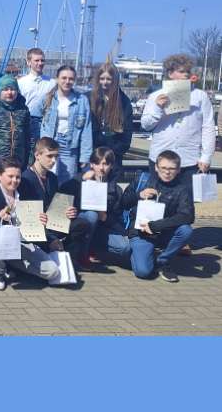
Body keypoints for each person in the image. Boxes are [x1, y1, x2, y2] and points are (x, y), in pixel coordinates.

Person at [0, 157, 61, 290]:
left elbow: (34, 218)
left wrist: (41, 221)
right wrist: (1, 216)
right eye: (10, 176)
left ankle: (13, 265)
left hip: (21, 241)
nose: (14, 180)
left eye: (17, 177)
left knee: (52, 271)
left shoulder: (25, 190)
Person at [119, 149, 194, 282]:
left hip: (163, 232)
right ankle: (136, 253)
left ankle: (162, 261)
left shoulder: (182, 189)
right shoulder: (143, 179)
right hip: (141, 232)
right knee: (143, 272)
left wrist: (155, 226)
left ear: (178, 170)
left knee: (186, 230)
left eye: (172, 168)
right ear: (156, 167)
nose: (167, 172)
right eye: (163, 167)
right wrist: (139, 195)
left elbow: (187, 216)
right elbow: (122, 203)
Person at [140, 54, 214, 182]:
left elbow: (208, 127)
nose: (186, 74)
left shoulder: (201, 97)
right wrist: (158, 108)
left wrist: (206, 156)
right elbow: (146, 125)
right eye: (181, 71)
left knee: (187, 194)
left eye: (188, 71)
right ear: (170, 73)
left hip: (189, 160)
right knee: (157, 194)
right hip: (160, 159)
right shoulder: (156, 96)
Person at [17, 137, 88, 267]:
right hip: (34, 226)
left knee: (81, 224)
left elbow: (55, 207)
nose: (54, 161)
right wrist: (51, 239)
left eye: (56, 156)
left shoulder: (52, 178)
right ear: (37, 155)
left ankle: (67, 260)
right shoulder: (26, 179)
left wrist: (68, 211)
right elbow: (26, 218)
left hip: (51, 222)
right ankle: (52, 251)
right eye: (49, 156)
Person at [58, 146, 124, 269]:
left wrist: (105, 218)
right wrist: (81, 179)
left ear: (111, 166)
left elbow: (118, 221)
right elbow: (62, 192)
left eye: (105, 164)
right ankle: (82, 255)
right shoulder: (81, 178)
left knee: (123, 247)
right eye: (97, 163)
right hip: (82, 223)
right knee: (91, 215)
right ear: (91, 164)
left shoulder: (115, 189)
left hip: (101, 230)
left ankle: (94, 249)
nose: (101, 168)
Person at [39, 65, 93, 185]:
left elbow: (86, 129)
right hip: (50, 143)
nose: (67, 81)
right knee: (47, 180)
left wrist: (85, 156)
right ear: (57, 79)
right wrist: (41, 144)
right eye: (64, 78)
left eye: (71, 79)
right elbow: (38, 120)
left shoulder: (81, 100)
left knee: (67, 182)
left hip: (70, 146)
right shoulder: (48, 98)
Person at [89, 62, 133, 181]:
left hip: (114, 158)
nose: (105, 82)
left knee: (112, 189)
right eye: (102, 78)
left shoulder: (124, 101)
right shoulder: (90, 99)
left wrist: (113, 152)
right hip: (94, 157)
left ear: (115, 80)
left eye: (108, 79)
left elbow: (127, 133)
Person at [17, 47, 56, 154]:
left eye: (42, 60)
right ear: (28, 62)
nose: (40, 63)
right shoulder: (21, 83)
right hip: (25, 122)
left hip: (44, 123)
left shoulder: (52, 83)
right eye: (36, 60)